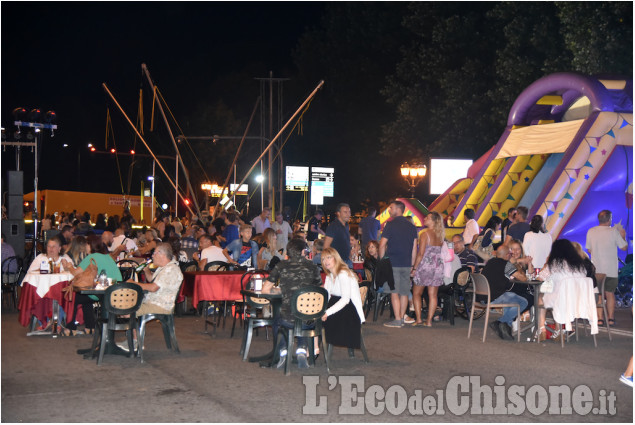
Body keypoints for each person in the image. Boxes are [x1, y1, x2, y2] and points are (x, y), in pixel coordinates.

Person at [262, 238, 322, 369]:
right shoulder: (313, 267)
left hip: (288, 319)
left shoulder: (281, 265)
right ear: (302, 252)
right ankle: (301, 350)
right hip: (310, 319)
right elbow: (319, 291)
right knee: (302, 313)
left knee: (278, 319)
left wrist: (280, 290)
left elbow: (265, 289)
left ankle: (283, 352)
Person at [117, 243, 184, 352]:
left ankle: (135, 342)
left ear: (162, 254)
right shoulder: (164, 268)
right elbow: (153, 281)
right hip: (153, 301)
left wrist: (134, 283)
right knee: (126, 306)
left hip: (160, 304)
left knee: (127, 309)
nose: (152, 256)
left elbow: (153, 288)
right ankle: (133, 339)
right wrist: (146, 270)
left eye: (154, 253)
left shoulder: (170, 270)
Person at [62, 234, 123, 336]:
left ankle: (70, 328)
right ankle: (90, 327)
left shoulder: (91, 257)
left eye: (86, 244)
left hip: (101, 292)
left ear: (90, 245)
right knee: (87, 298)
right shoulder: (108, 257)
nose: (84, 247)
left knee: (73, 297)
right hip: (116, 291)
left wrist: (68, 266)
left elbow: (75, 273)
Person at [535, 239, 590, 341]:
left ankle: (541, 328)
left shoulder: (555, 264)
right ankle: (559, 329)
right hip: (578, 300)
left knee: (541, 297)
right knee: (555, 297)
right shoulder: (580, 265)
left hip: (560, 299)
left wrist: (546, 264)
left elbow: (540, 278)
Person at [378, 200, 418, 328]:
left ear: (399, 209)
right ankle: (401, 317)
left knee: (394, 292)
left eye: (391, 208)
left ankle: (397, 319)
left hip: (393, 263)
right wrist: (412, 265)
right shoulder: (412, 226)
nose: (389, 210)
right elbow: (414, 248)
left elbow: (382, 244)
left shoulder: (390, 225)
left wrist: (382, 261)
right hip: (406, 264)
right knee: (404, 292)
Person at [586, 209, 628, 327]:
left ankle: (600, 319)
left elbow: (589, 249)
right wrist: (623, 236)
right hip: (611, 269)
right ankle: (611, 318)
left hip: (597, 269)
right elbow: (624, 248)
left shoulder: (591, 231)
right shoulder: (614, 232)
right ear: (609, 219)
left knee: (599, 294)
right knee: (610, 293)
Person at [321, 247, 365, 355]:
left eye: (328, 258)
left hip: (350, 310)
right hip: (339, 305)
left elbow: (345, 299)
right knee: (315, 316)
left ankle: (313, 350)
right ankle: (313, 349)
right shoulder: (330, 275)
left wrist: (327, 312)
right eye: (323, 259)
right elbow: (326, 296)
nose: (325, 261)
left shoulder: (343, 273)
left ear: (335, 258)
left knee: (320, 321)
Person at [480, 245, 528, 340]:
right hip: (494, 298)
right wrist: (516, 264)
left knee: (512, 300)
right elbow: (523, 278)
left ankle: (506, 327)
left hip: (481, 298)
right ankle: (500, 322)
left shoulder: (490, 262)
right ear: (507, 255)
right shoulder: (506, 265)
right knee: (523, 302)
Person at [411, 211, 446, 326]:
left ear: (434, 221)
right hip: (437, 266)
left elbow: (421, 254)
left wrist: (415, 268)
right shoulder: (440, 235)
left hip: (425, 266)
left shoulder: (425, 234)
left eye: (428, 217)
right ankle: (429, 321)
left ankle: (419, 319)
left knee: (416, 293)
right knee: (433, 295)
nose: (425, 218)